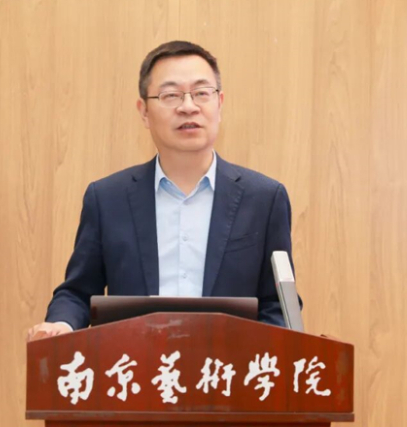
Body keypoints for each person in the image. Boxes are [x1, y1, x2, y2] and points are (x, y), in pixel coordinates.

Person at [26, 41, 296, 341]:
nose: (188, 106)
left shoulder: (264, 199)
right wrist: (61, 325)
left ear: (219, 104)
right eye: (171, 95)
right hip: (134, 363)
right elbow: (78, 292)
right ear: (144, 111)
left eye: (201, 93)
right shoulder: (107, 199)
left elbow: (278, 304)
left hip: (230, 366)